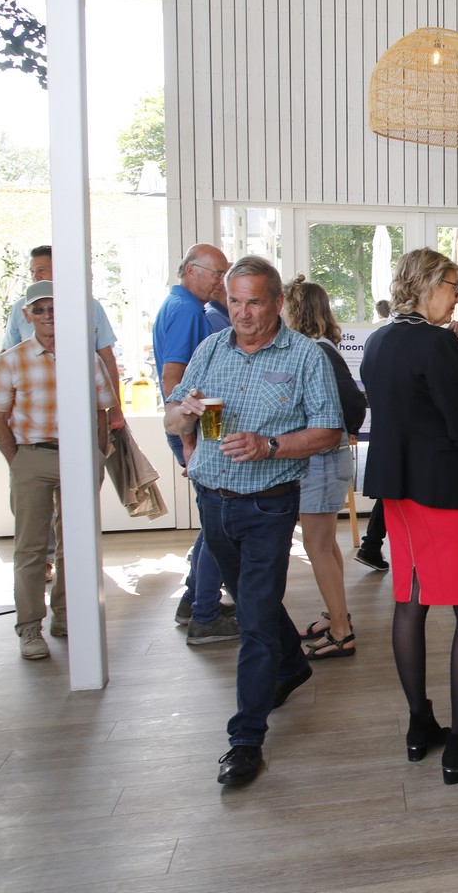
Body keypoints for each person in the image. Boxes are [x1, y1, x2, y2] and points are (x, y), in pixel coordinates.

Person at [163, 255, 343, 786]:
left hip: (268, 504)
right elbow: (172, 418)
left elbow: (329, 430)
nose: (242, 313)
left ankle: (245, 740)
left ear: (277, 302)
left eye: (254, 302)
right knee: (251, 601)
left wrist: (269, 446)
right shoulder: (210, 349)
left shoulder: (305, 356)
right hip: (212, 501)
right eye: (234, 301)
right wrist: (185, 416)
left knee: (255, 619)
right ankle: (292, 666)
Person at [361, 246, 458, 783]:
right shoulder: (437, 342)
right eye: (454, 286)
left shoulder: (378, 341)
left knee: (410, 601)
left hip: (395, 492)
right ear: (426, 284)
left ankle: (419, 724)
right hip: (439, 489)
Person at [0, 281, 116, 659]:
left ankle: (67, 615)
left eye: (54, 309)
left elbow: (102, 410)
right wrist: (18, 460)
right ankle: (29, 628)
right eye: (39, 310)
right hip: (33, 456)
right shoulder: (11, 360)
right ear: (27, 315)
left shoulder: (86, 358)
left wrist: (97, 454)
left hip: (80, 456)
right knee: (31, 548)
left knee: (77, 543)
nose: (47, 317)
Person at [153, 243, 238, 644]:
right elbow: (174, 379)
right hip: (197, 432)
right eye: (216, 273)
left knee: (215, 520)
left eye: (225, 273)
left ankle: (196, 600)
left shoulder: (181, 306)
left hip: (200, 429)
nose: (221, 281)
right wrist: (188, 440)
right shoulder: (187, 310)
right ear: (190, 271)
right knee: (219, 521)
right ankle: (203, 611)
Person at [284, 276, 366, 658]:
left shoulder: (313, 350)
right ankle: (337, 616)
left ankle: (341, 633)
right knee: (326, 544)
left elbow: (349, 404)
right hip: (330, 459)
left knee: (316, 546)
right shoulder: (324, 347)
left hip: (321, 459)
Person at [1, 245, 124, 430]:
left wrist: (115, 407)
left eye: (41, 270)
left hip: (83, 406)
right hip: (34, 414)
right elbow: (6, 357)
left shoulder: (90, 306)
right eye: (32, 271)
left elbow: (107, 359)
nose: (36, 276)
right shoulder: (22, 309)